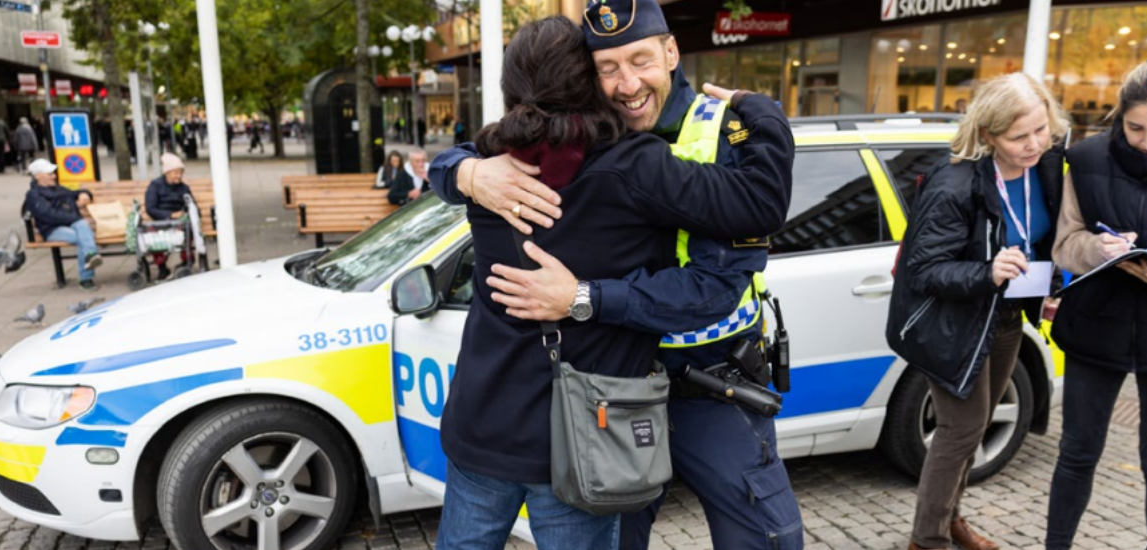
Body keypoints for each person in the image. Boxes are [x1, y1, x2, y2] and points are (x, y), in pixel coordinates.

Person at [429, 1, 799, 548]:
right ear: (586, 78)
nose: (627, 84)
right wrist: (464, 172)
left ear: (671, 52)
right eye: (608, 68)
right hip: (599, 408)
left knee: (765, 538)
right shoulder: (591, 160)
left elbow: (719, 283)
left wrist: (583, 297)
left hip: (705, 386)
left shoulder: (710, 136)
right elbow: (759, 203)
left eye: (641, 60)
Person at [885, 73, 1069, 550]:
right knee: (960, 429)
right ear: (988, 134)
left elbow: (1041, 238)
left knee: (977, 425)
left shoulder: (1048, 166)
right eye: (1018, 136)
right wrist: (986, 272)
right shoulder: (956, 185)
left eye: (1041, 130)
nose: (1034, 144)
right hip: (956, 323)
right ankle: (927, 541)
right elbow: (923, 271)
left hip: (1005, 318)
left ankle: (950, 520)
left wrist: (1048, 282)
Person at [1047, 57, 1147, 550]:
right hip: (1095, 323)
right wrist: (1098, 249)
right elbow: (1064, 242)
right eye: (1137, 128)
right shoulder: (1085, 158)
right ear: (1120, 116)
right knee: (1077, 451)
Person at [24, 159, 102, 290]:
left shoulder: (57, 189)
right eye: (49, 174)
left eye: (53, 173)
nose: (53, 176)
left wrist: (85, 194)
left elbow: (74, 193)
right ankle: (87, 274)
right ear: (38, 175)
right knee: (83, 235)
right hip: (52, 230)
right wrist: (73, 218)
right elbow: (48, 215)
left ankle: (89, 261)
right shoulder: (33, 195)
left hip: (72, 224)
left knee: (82, 228)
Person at [145, 153, 196, 281]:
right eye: (176, 173)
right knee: (153, 236)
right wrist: (170, 215)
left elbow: (193, 205)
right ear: (167, 173)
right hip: (161, 221)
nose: (179, 176)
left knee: (188, 229)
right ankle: (162, 267)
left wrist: (187, 213)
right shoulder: (155, 186)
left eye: (181, 173)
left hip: (180, 222)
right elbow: (150, 208)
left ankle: (186, 262)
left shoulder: (184, 188)